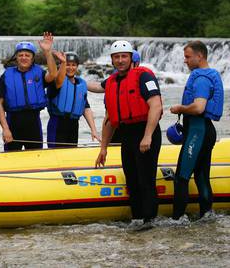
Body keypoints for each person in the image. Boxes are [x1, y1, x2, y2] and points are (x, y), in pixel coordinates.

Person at [95, 41, 163, 230]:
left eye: (124, 56)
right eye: (116, 57)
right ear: (112, 60)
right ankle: (137, 219)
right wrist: (103, 148)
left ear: (131, 57)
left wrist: (148, 135)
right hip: (128, 135)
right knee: (131, 178)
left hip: (146, 131)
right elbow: (109, 120)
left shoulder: (144, 76)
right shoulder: (112, 83)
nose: (120, 60)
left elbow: (155, 105)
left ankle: (150, 221)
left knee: (145, 178)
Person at [170, 40, 224, 220]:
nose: (185, 61)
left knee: (182, 177)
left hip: (197, 131)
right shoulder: (209, 75)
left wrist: (180, 108)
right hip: (204, 130)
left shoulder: (201, 79)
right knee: (201, 176)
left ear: (199, 56)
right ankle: (206, 217)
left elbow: (199, 108)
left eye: (187, 56)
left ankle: (177, 220)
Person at [0, 32, 58, 151]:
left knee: (35, 158)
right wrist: (5, 129)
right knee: (11, 161)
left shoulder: (39, 72)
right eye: (21, 55)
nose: (24, 57)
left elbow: (53, 74)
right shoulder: (7, 75)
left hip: (33, 124)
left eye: (27, 55)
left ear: (32, 58)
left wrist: (47, 52)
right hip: (12, 124)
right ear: (16, 57)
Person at [47, 51, 100, 147]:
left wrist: (94, 130)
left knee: (70, 157)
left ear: (77, 66)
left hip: (73, 126)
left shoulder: (80, 85)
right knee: (56, 157)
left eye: (73, 65)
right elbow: (59, 80)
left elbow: (86, 108)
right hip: (57, 124)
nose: (70, 68)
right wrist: (63, 62)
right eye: (67, 65)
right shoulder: (56, 82)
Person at [87, 50, 141, 143]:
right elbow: (99, 87)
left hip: (132, 127)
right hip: (118, 126)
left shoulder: (140, 77)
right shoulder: (115, 79)